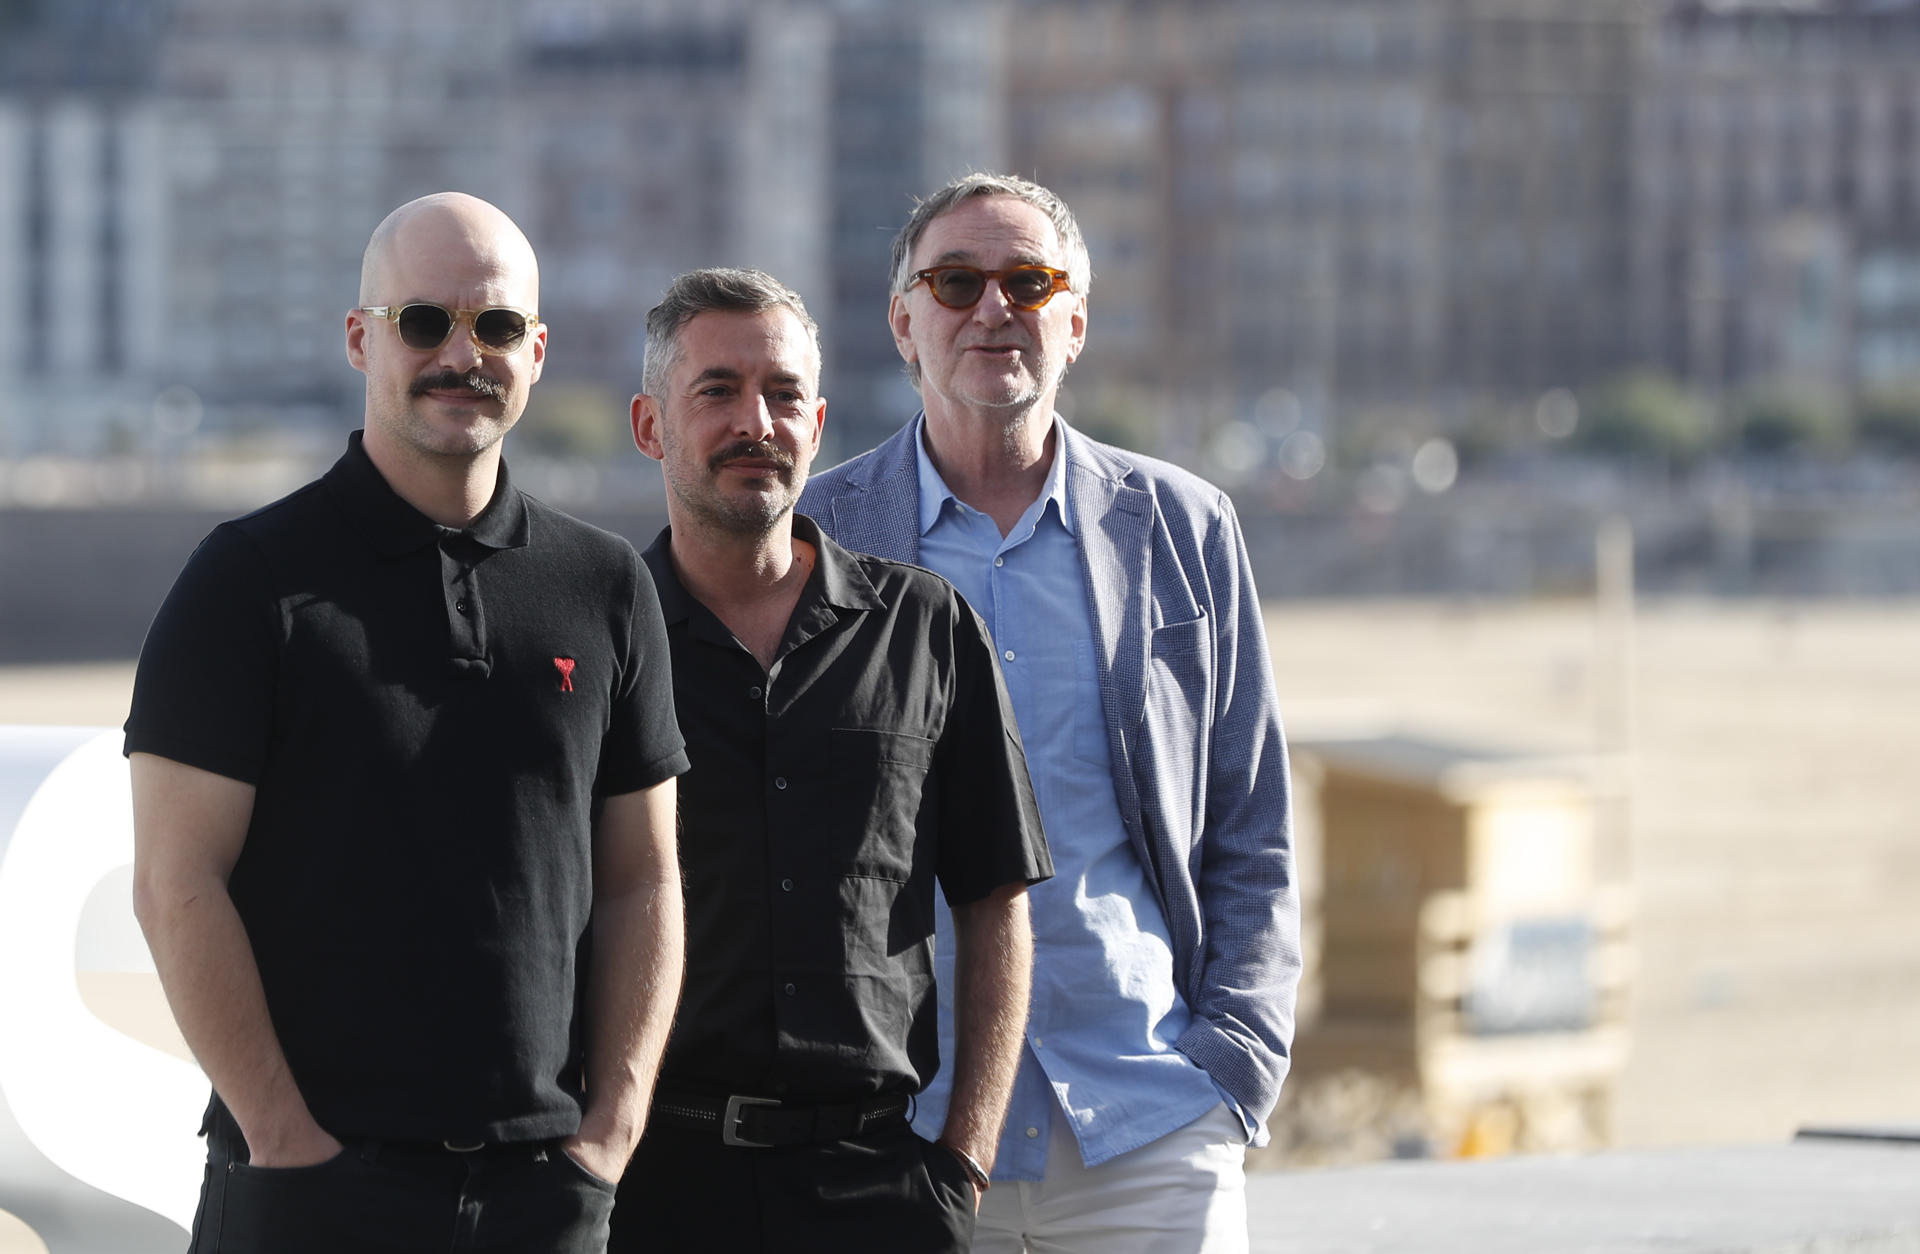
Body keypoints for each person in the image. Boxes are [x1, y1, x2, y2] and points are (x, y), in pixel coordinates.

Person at [125, 192, 689, 1254]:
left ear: (537, 351)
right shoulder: (248, 580)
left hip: (544, 1194)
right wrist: (285, 1142)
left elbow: (642, 879)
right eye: (423, 322)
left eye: (497, 327)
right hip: (306, 1192)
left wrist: (610, 1135)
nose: (461, 354)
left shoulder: (608, 585)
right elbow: (173, 883)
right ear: (359, 339)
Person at [799, 172, 1301, 1252]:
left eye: (1028, 281)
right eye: (956, 280)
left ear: (1074, 321)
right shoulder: (817, 538)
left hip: (1146, 1125)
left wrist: (1236, 1064)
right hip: (899, 1135)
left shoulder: (1183, 527)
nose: (993, 308)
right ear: (903, 322)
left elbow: (1252, 823)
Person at [607, 267, 1051, 1254]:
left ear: (817, 424)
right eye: (716, 391)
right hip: (654, 1191)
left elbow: (995, 899)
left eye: (783, 395)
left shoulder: (926, 628)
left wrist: (962, 1158)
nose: (754, 422)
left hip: (881, 1191)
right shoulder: (601, 640)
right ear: (651, 427)